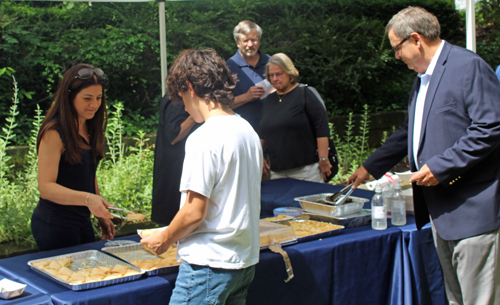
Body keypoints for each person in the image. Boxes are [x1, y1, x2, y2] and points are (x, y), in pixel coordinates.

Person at [348, 7, 500, 305]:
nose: (396, 56)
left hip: (473, 211)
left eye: (397, 48)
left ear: (415, 39)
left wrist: (441, 167)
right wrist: (370, 166)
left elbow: (491, 125)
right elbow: (410, 132)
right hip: (441, 212)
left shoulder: (468, 66)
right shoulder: (422, 79)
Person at [141, 49, 263, 305]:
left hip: (208, 265)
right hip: (243, 262)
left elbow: (194, 212)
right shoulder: (247, 130)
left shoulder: (204, 137)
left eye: (181, 97)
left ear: (189, 87)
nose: (183, 106)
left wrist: (163, 239)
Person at [32, 64, 115, 251]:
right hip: (55, 224)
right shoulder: (54, 133)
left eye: (99, 98)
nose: (94, 104)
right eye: (87, 98)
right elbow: (46, 188)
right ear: (69, 95)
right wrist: (88, 199)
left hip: (82, 220)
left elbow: (88, 173)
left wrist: (100, 213)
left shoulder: (90, 126)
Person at [259, 53, 332, 182]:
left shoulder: (305, 93)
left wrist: (323, 158)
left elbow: (322, 128)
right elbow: (263, 133)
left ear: (289, 73)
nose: (275, 78)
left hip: (307, 171)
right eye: (271, 75)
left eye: (279, 74)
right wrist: (258, 156)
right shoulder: (269, 100)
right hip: (277, 172)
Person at [151, 94, 201, 226]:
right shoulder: (176, 98)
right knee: (174, 223)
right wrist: (195, 115)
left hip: (181, 170)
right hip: (175, 172)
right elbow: (174, 135)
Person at [226, 20, 270, 132]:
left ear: (259, 39)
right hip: (245, 134)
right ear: (237, 41)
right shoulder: (228, 67)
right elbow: (220, 106)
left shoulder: (271, 62)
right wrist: (246, 97)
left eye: (254, 40)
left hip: (274, 131)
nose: (250, 45)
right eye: (245, 40)